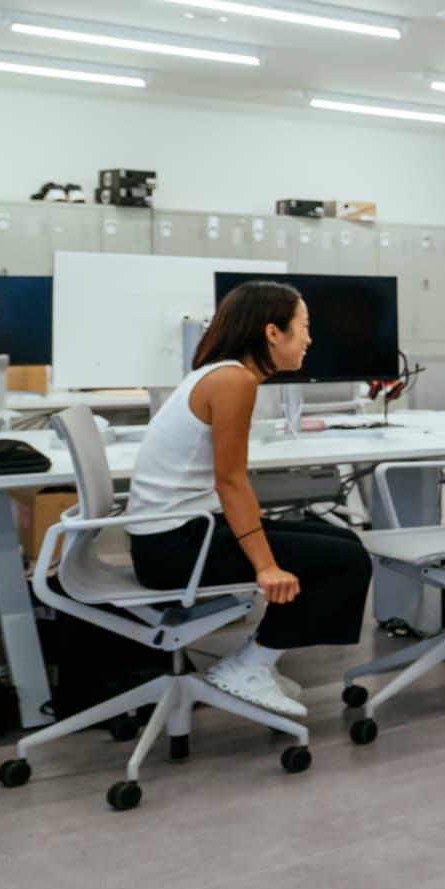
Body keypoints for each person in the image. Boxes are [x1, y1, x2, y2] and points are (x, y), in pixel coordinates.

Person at [125, 280, 372, 720]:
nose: (310, 339)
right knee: (347, 562)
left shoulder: (217, 373)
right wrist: (265, 565)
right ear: (272, 333)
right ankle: (252, 664)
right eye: (304, 327)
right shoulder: (233, 380)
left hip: (181, 534)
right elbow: (231, 481)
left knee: (345, 543)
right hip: (176, 549)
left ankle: (257, 660)